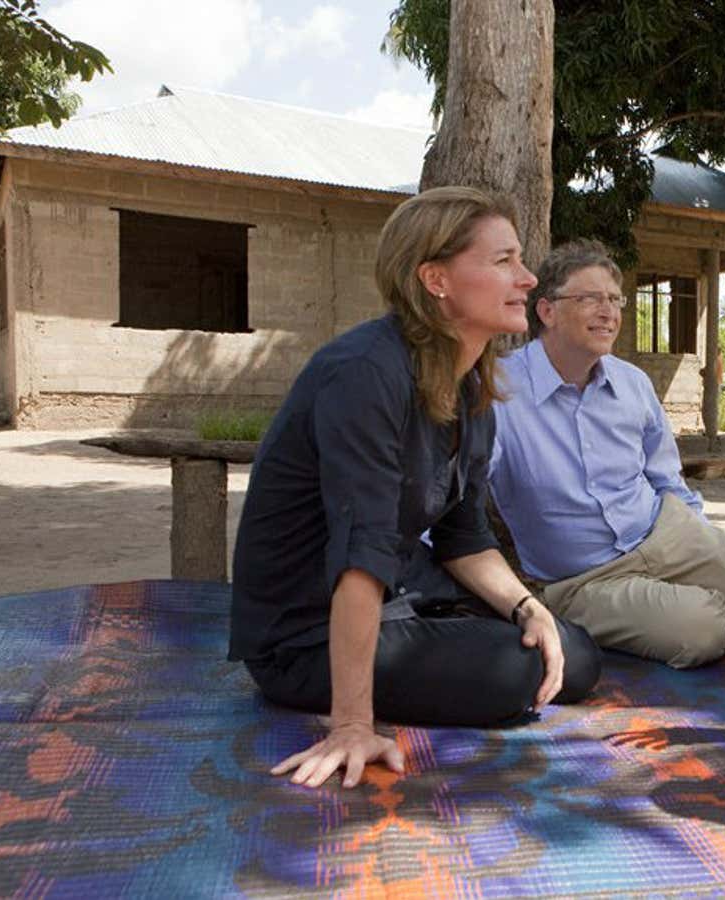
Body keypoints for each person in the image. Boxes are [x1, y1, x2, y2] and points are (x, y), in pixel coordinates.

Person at [230, 187, 602, 789]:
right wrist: (353, 723)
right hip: (305, 633)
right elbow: (362, 550)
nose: (529, 279)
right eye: (503, 260)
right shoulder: (364, 374)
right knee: (516, 673)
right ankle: (351, 692)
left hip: (401, 588)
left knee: (574, 655)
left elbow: (462, 535)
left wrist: (527, 606)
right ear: (436, 279)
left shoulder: (471, 384)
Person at [486, 239, 725, 668]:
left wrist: (701, 536)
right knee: (701, 632)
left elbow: (667, 478)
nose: (610, 312)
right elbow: (455, 499)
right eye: (591, 299)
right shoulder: (497, 392)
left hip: (668, 534)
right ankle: (708, 613)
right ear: (547, 311)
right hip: (585, 578)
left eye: (615, 300)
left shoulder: (632, 383)